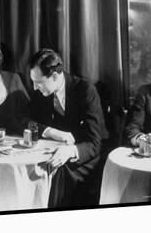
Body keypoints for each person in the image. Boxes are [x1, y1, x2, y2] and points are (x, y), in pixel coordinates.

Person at [28, 48, 106, 208]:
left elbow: (95, 143)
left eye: (38, 82)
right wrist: (51, 131)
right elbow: (24, 120)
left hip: (86, 158)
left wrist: (71, 151)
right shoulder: (41, 92)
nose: (35, 87)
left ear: (55, 76)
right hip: (57, 154)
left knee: (56, 174)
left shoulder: (85, 91)